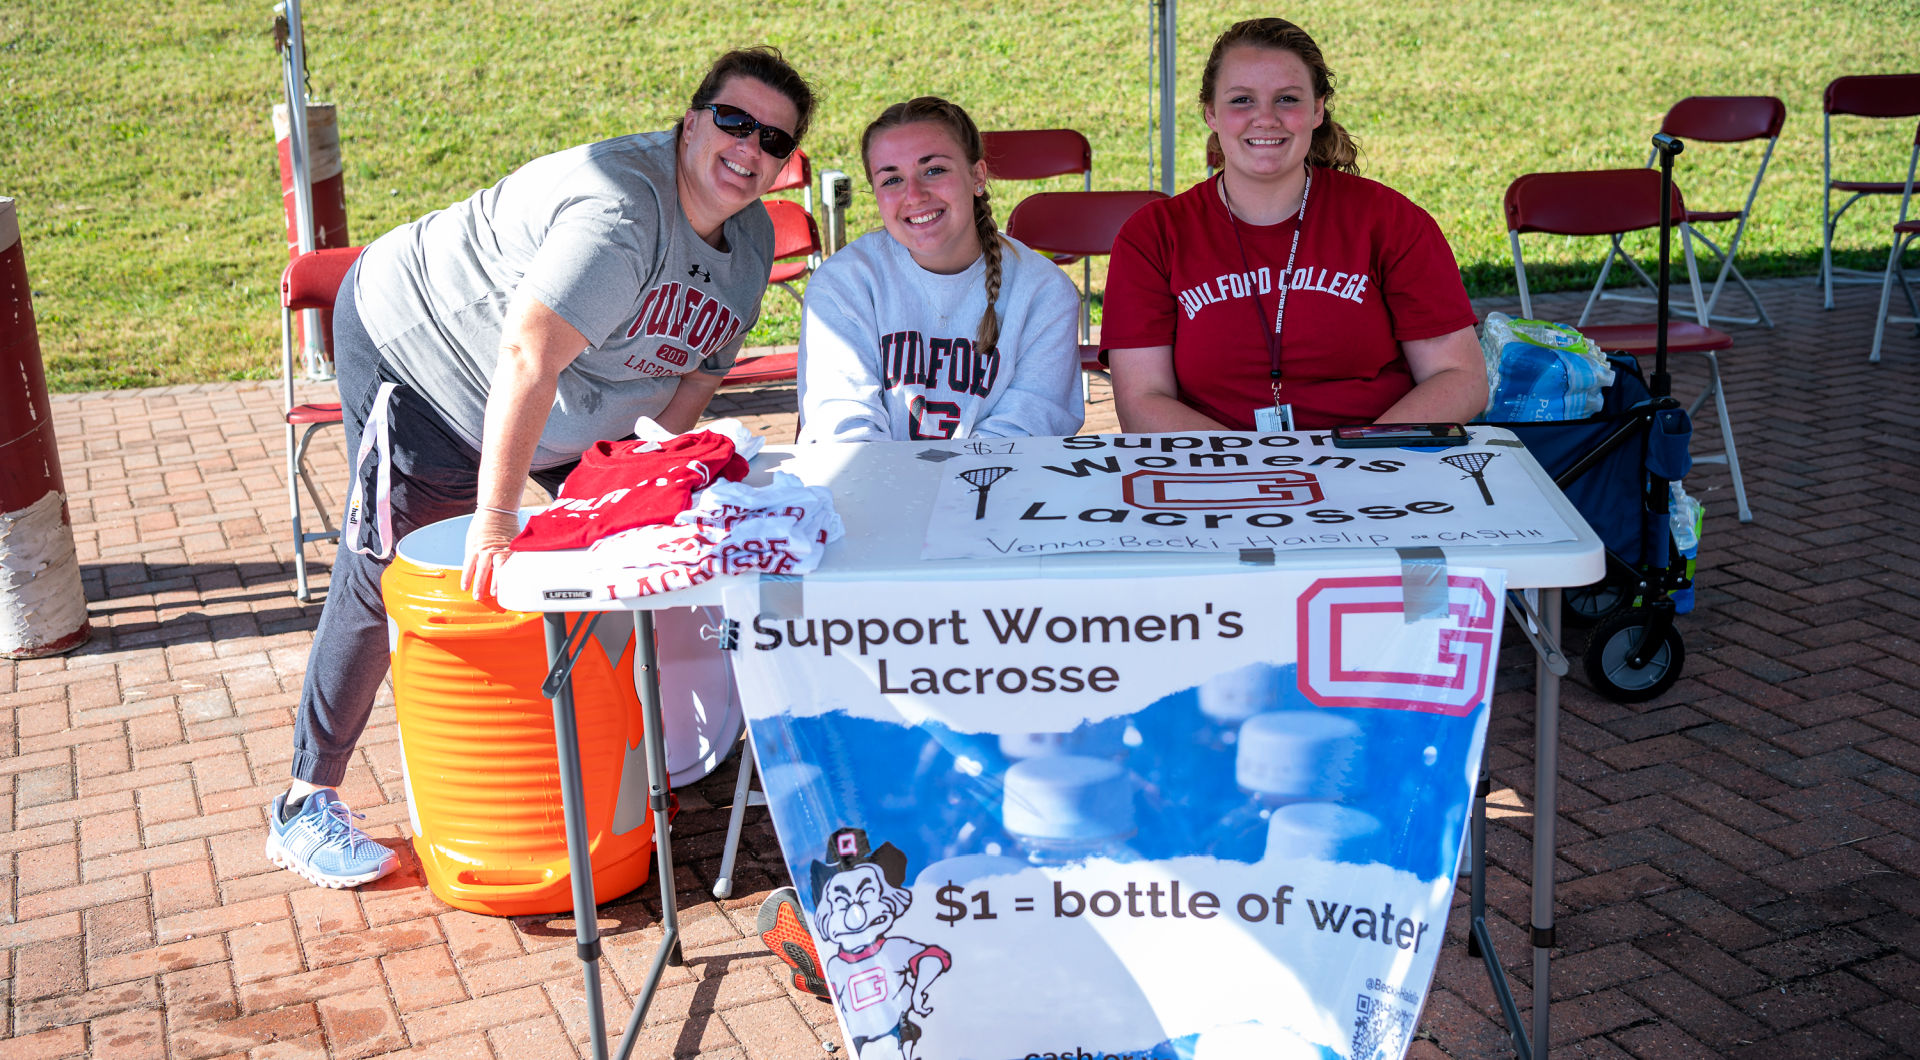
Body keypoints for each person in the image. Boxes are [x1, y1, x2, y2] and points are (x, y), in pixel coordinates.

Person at [264, 47, 816, 889]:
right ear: (692, 120)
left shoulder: (746, 245)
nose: (750, 147)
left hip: (575, 394)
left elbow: (698, 377)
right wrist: (493, 519)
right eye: (734, 121)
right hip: (432, 360)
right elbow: (525, 358)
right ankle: (307, 801)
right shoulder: (621, 211)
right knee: (393, 564)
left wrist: (629, 483)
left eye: (773, 140)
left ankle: (633, 764)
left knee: (639, 552)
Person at [1103, 18, 1485, 433]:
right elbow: (1142, 400)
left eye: (1287, 99)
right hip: (1219, 473)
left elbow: (1458, 376)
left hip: (1374, 468)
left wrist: (1359, 457)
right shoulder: (1154, 235)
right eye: (1241, 100)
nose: (1265, 118)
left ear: (1317, 110)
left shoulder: (1389, 220)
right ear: (1211, 113)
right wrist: (1259, 470)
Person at [797, 96, 1083, 442]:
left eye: (934, 170)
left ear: (977, 176)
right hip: (868, 488)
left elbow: (1026, 428)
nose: (914, 195)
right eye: (891, 180)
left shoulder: (1044, 292)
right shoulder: (843, 284)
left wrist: (952, 490)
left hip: (996, 488)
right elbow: (844, 426)